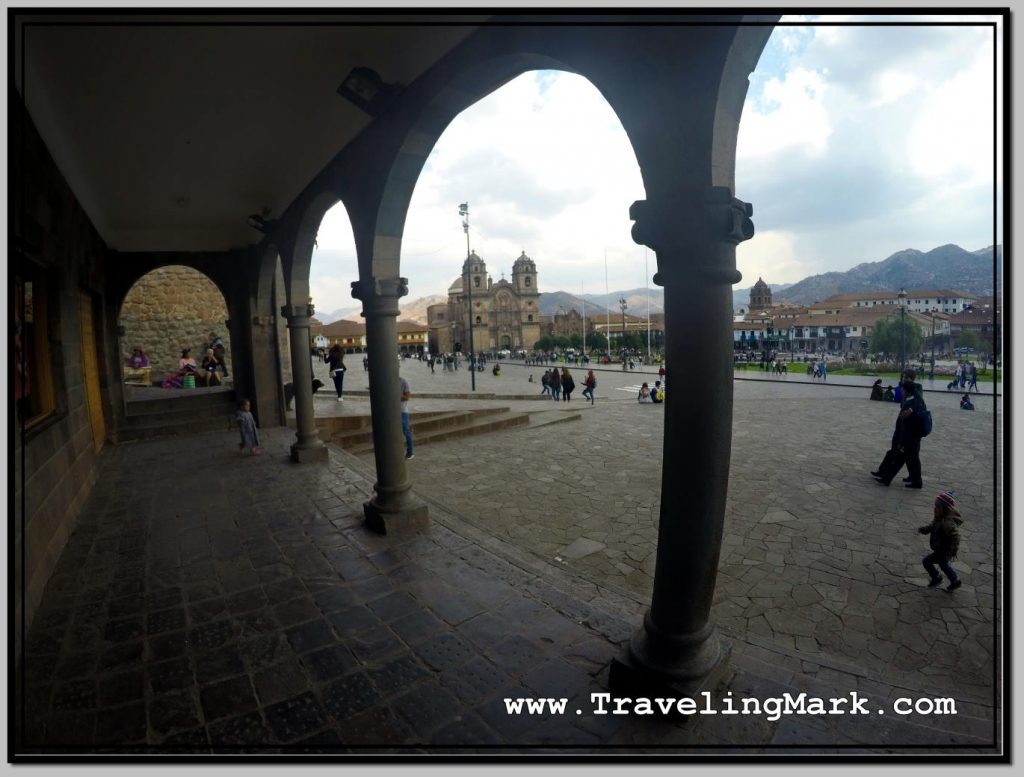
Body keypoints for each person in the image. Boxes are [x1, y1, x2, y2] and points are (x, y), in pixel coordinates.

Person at [872, 369, 928, 488]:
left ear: (911, 379)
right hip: (906, 429)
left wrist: (910, 411)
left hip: (910, 432)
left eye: (905, 378)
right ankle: (914, 480)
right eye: (903, 377)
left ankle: (887, 477)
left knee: (902, 455)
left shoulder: (916, 391)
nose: (903, 380)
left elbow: (920, 404)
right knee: (909, 457)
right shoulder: (906, 394)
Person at [918, 491, 963, 591]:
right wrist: (925, 529)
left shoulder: (947, 523)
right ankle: (954, 581)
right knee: (943, 565)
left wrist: (953, 550)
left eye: (937, 507)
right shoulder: (939, 518)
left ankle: (937, 577)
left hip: (944, 549)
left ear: (944, 509)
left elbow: (956, 536)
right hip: (940, 548)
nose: (934, 509)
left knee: (927, 561)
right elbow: (932, 526)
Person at [399, 375, 414, 460]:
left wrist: (399, 396)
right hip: (391, 411)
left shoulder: (403, 381)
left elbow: (407, 397)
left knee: (406, 431)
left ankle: (410, 452)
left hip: (402, 411)